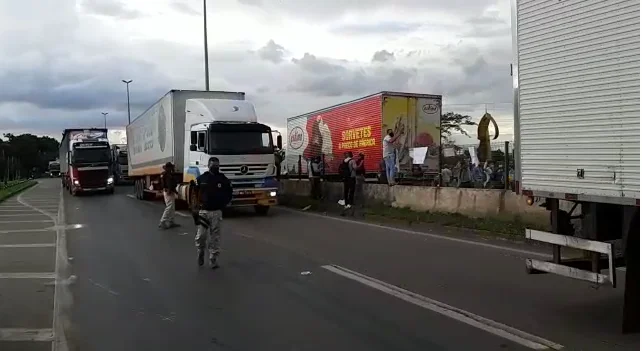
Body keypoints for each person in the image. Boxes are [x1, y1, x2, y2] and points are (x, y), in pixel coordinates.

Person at [193, 157, 233, 269]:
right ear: (208, 165)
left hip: (216, 212)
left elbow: (229, 193)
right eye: (213, 165)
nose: (215, 167)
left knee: (215, 237)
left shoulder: (223, 179)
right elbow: (195, 192)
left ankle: (213, 258)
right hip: (204, 212)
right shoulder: (202, 178)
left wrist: (224, 204)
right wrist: (195, 207)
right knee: (201, 235)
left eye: (217, 165)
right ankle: (200, 251)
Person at [159, 162, 179, 229]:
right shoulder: (168, 175)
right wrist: (170, 190)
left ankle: (171, 221)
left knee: (172, 207)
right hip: (168, 192)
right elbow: (169, 184)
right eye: (171, 167)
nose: (172, 168)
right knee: (169, 207)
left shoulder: (164, 174)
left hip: (168, 191)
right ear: (169, 168)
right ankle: (162, 221)